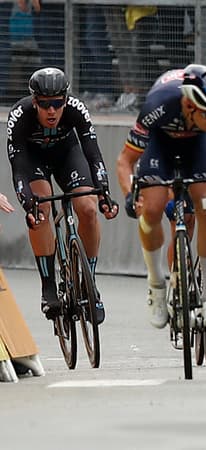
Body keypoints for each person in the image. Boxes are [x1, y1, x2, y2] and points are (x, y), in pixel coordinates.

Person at [116, 64, 206, 330]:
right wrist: (128, 194)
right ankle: (156, 285)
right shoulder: (159, 104)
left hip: (199, 146)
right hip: (161, 143)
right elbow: (125, 160)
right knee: (153, 208)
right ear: (191, 105)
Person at [6, 67, 119, 322]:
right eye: (45, 105)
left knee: (88, 208)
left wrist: (104, 193)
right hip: (33, 161)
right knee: (41, 209)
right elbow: (19, 169)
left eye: (57, 104)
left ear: (65, 100)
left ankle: (89, 281)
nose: (52, 111)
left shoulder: (76, 109)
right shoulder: (20, 115)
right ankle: (48, 287)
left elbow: (93, 153)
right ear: (34, 101)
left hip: (67, 155)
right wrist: (28, 204)